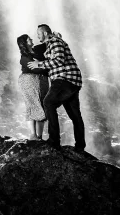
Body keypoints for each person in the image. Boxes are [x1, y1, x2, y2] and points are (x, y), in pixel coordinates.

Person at [27, 24, 86, 152]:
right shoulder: (54, 43)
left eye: (38, 33)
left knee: (48, 102)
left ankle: (54, 141)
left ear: (45, 33)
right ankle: (80, 147)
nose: (37, 36)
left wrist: (40, 64)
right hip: (72, 81)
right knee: (75, 116)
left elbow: (59, 60)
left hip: (64, 79)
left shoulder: (54, 42)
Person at [17, 34, 50, 140]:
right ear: (25, 43)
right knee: (32, 105)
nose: (32, 40)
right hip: (29, 80)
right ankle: (33, 135)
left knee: (42, 105)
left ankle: (39, 136)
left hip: (42, 81)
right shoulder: (25, 57)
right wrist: (44, 66)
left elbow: (46, 44)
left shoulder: (36, 51)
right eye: (29, 39)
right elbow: (36, 69)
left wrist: (55, 37)